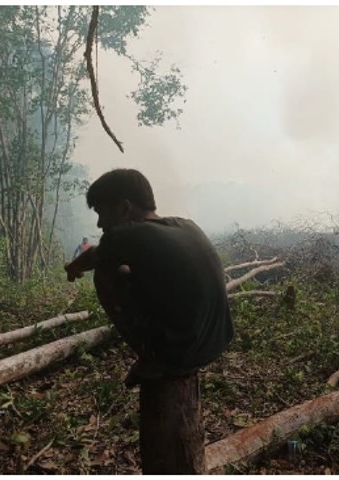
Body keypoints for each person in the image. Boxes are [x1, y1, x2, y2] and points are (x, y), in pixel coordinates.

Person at [64, 168, 234, 474]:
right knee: (127, 269)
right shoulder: (186, 225)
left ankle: (153, 357)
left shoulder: (125, 235)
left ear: (124, 208)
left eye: (102, 213)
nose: (100, 224)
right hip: (217, 339)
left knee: (107, 272)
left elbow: (92, 258)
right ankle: (163, 349)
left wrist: (73, 267)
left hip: (181, 354)